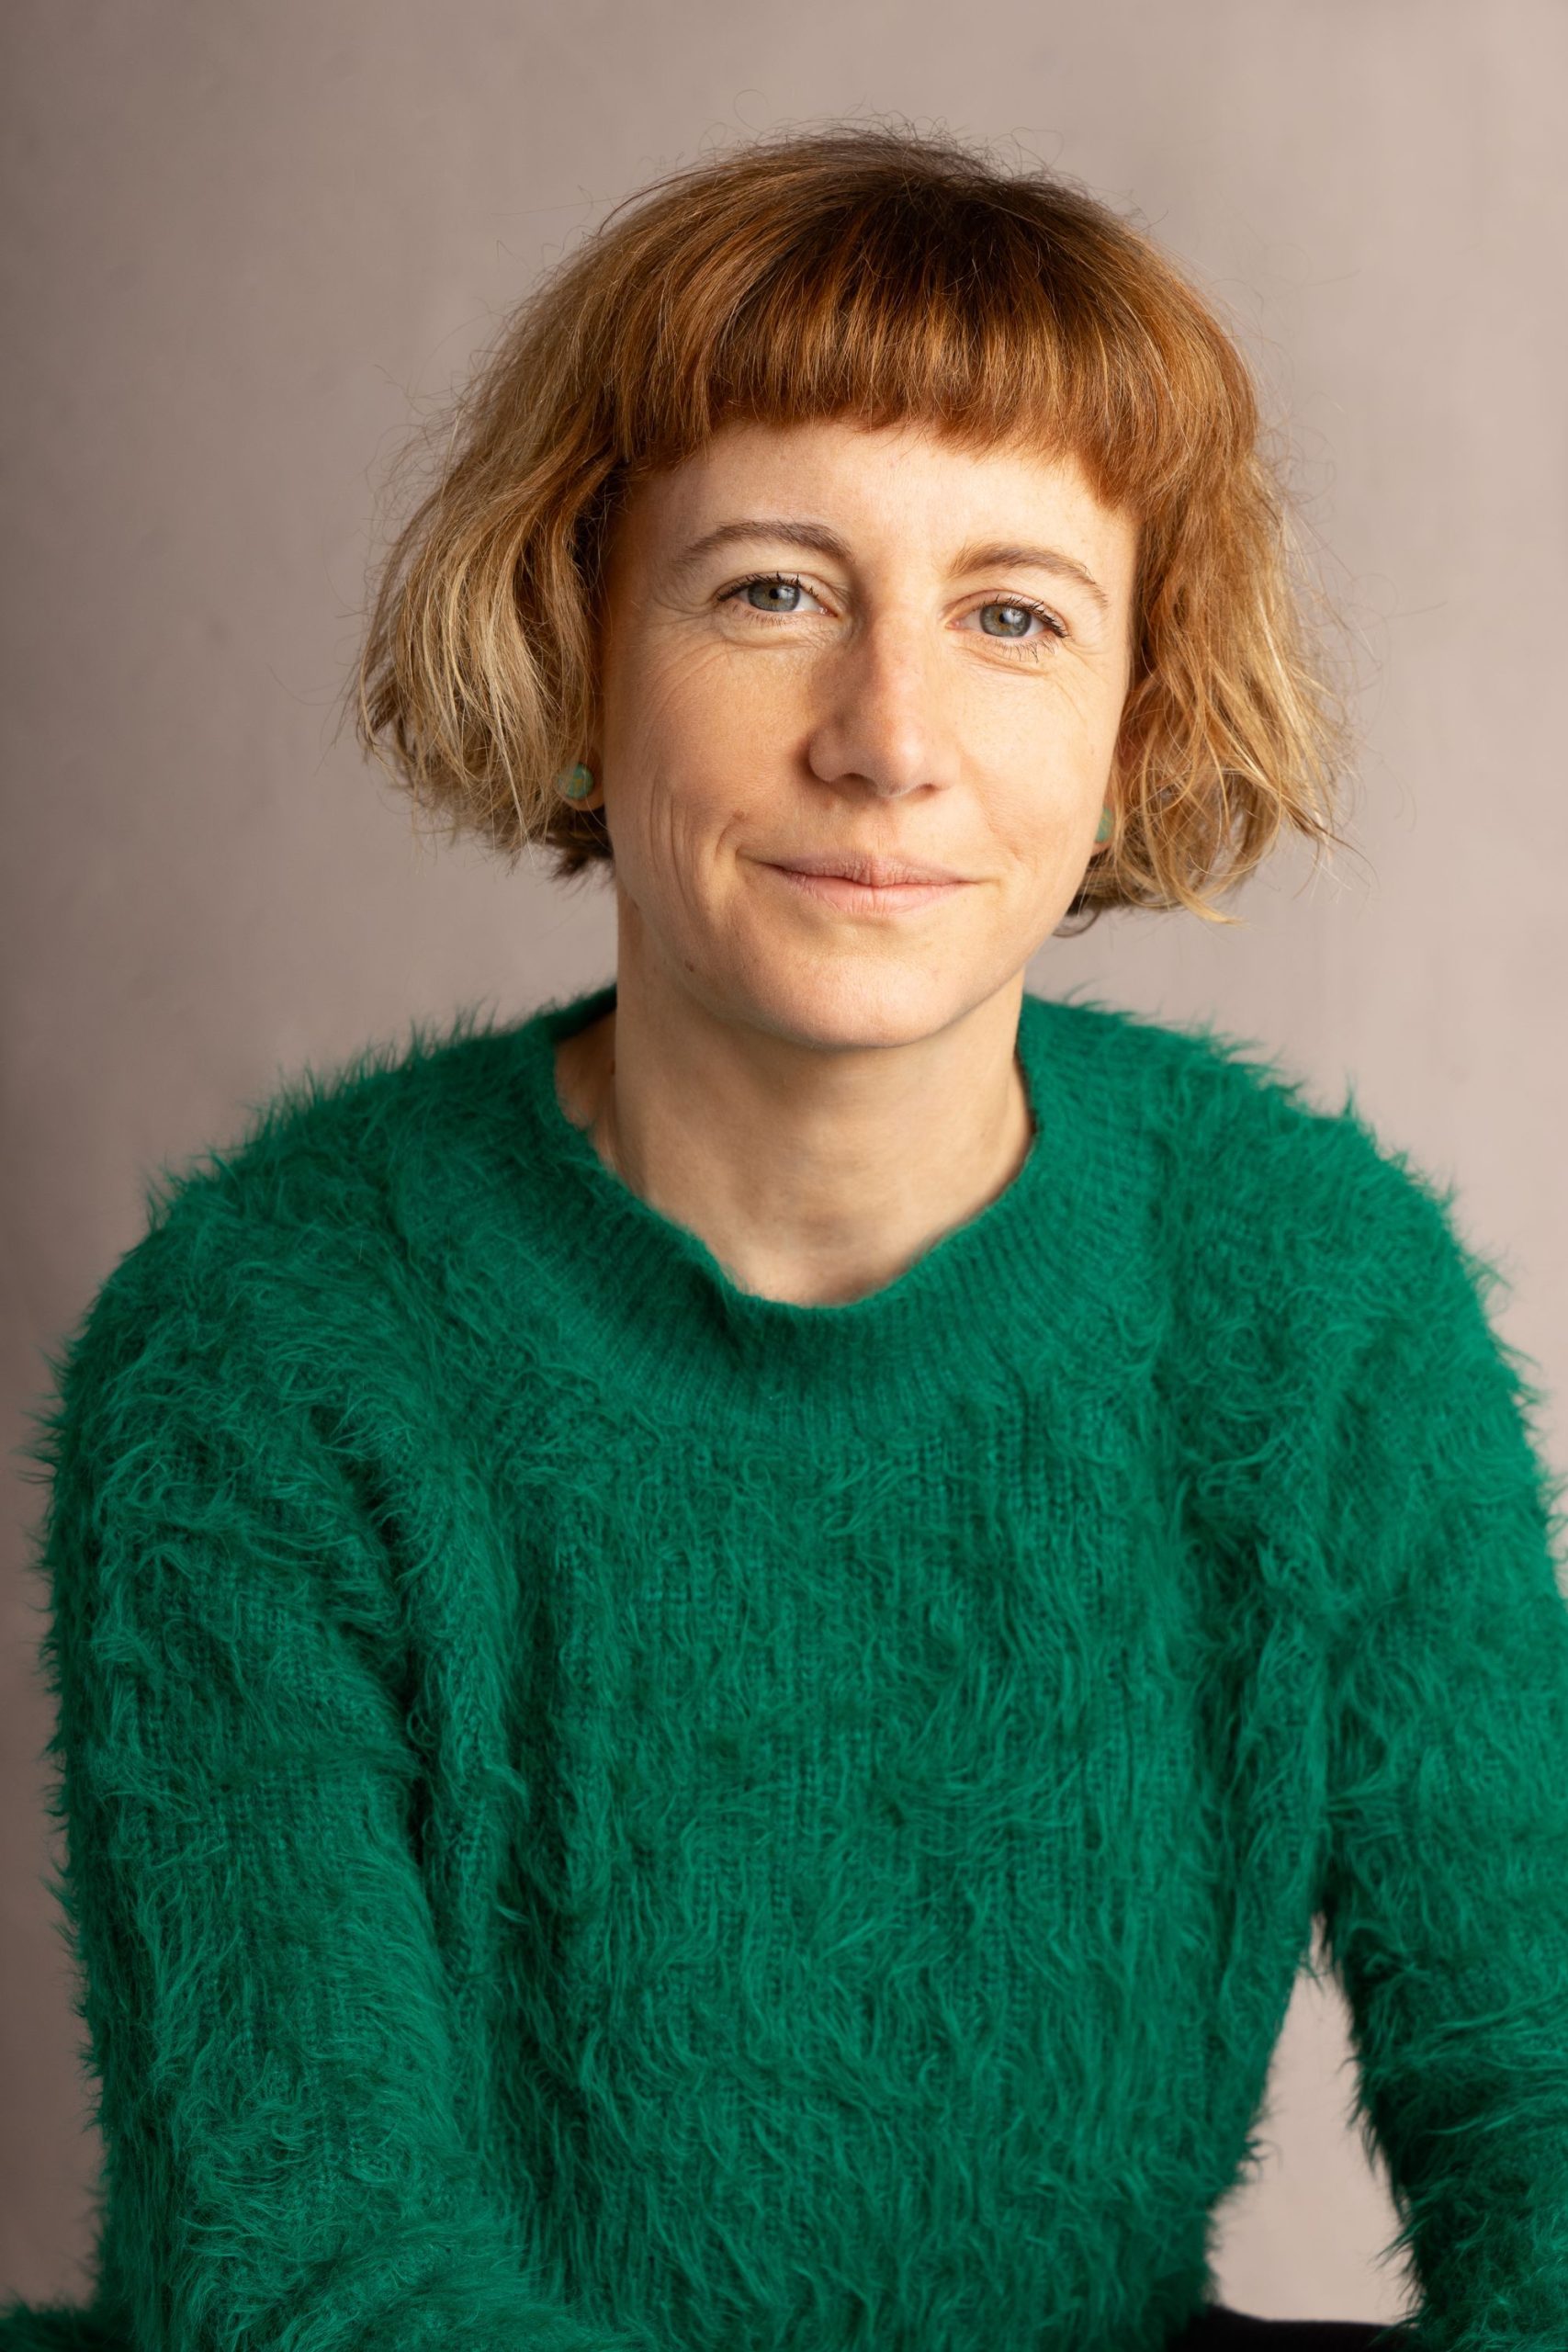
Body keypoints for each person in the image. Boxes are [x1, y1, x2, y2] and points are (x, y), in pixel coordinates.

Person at [5, 119, 1563, 2352]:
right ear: (577, 649)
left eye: (1011, 615)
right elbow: (316, 2277)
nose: (886, 737)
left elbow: (1544, 2122)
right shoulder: (268, 1340)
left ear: (1132, 725)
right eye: (770, 591)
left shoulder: (1313, 1305)